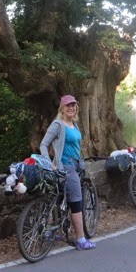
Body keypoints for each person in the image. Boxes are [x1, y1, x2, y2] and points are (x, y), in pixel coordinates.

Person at [40, 94, 96, 251]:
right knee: (76, 201)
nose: (71, 107)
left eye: (73, 105)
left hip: (75, 165)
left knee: (58, 199)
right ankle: (81, 240)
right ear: (62, 108)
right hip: (65, 167)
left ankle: (50, 231)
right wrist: (48, 163)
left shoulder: (74, 124)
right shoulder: (58, 124)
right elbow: (43, 144)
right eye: (68, 105)